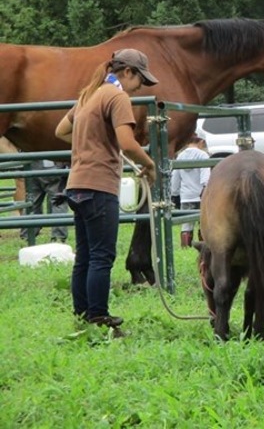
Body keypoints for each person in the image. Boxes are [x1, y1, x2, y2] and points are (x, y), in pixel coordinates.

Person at [55, 49, 158, 331]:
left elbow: (61, 131)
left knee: (85, 255)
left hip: (76, 184)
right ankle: (98, 316)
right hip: (99, 186)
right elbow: (127, 143)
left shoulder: (89, 94)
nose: (139, 88)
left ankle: (82, 314)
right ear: (128, 72)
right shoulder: (117, 96)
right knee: (102, 256)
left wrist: (92, 144)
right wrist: (149, 165)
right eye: (139, 80)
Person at [171, 133, 210, 248]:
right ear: (201, 142)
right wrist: (205, 190)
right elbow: (205, 177)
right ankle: (204, 244)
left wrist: (175, 194)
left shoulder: (181, 156)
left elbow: (175, 178)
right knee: (203, 222)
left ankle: (185, 245)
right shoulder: (203, 156)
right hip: (200, 195)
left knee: (186, 223)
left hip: (186, 196)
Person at [20, 159, 69, 243]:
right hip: (52, 164)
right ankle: (58, 237)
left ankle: (26, 235)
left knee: (32, 201)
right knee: (58, 201)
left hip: (32, 164)